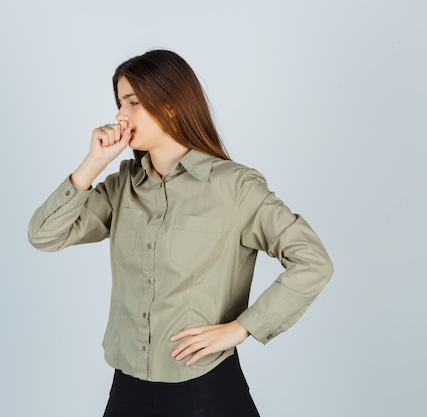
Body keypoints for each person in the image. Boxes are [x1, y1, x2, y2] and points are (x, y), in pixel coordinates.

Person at [28, 49, 333, 417]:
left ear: (170, 106)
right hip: (128, 384)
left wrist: (242, 328)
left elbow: (313, 261)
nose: (120, 115)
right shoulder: (123, 186)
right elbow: (44, 235)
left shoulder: (234, 187)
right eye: (119, 103)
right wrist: (93, 163)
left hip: (204, 388)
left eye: (133, 102)